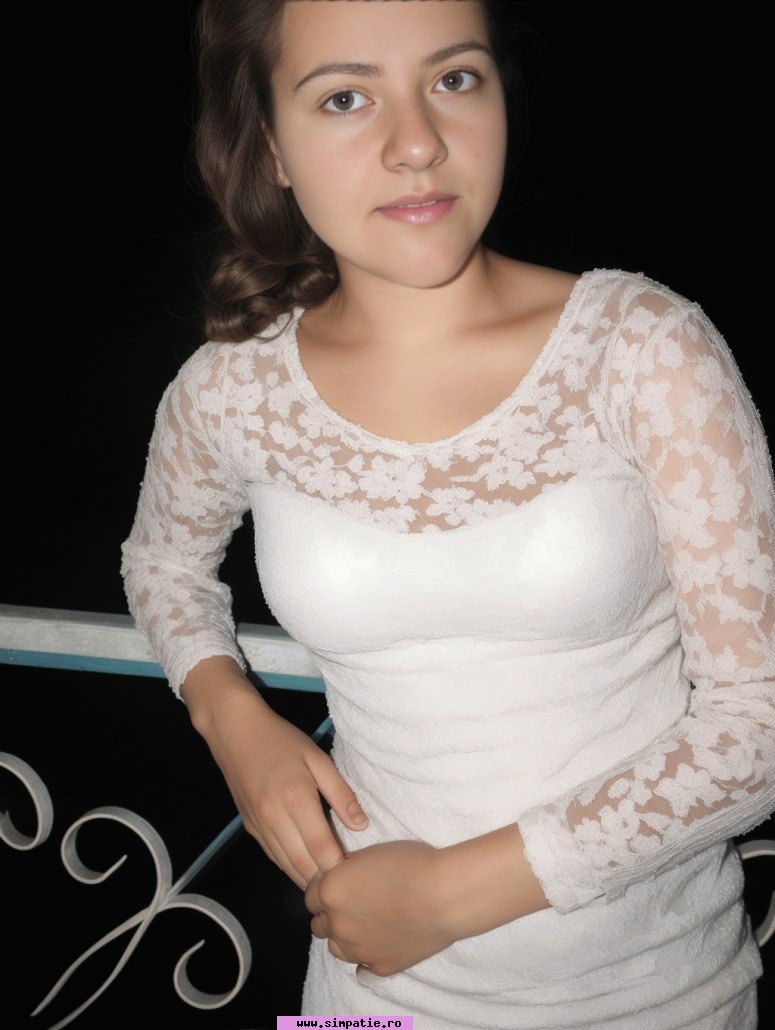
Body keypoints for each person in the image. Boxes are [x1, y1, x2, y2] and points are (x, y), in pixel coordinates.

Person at [120, 1, 775, 1026]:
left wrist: (450, 895)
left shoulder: (642, 346)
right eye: (345, 98)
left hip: (660, 997)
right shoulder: (232, 387)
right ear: (271, 149)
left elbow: (757, 723)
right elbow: (162, 564)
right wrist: (232, 719)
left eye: (454, 79)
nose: (417, 141)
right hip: (361, 996)